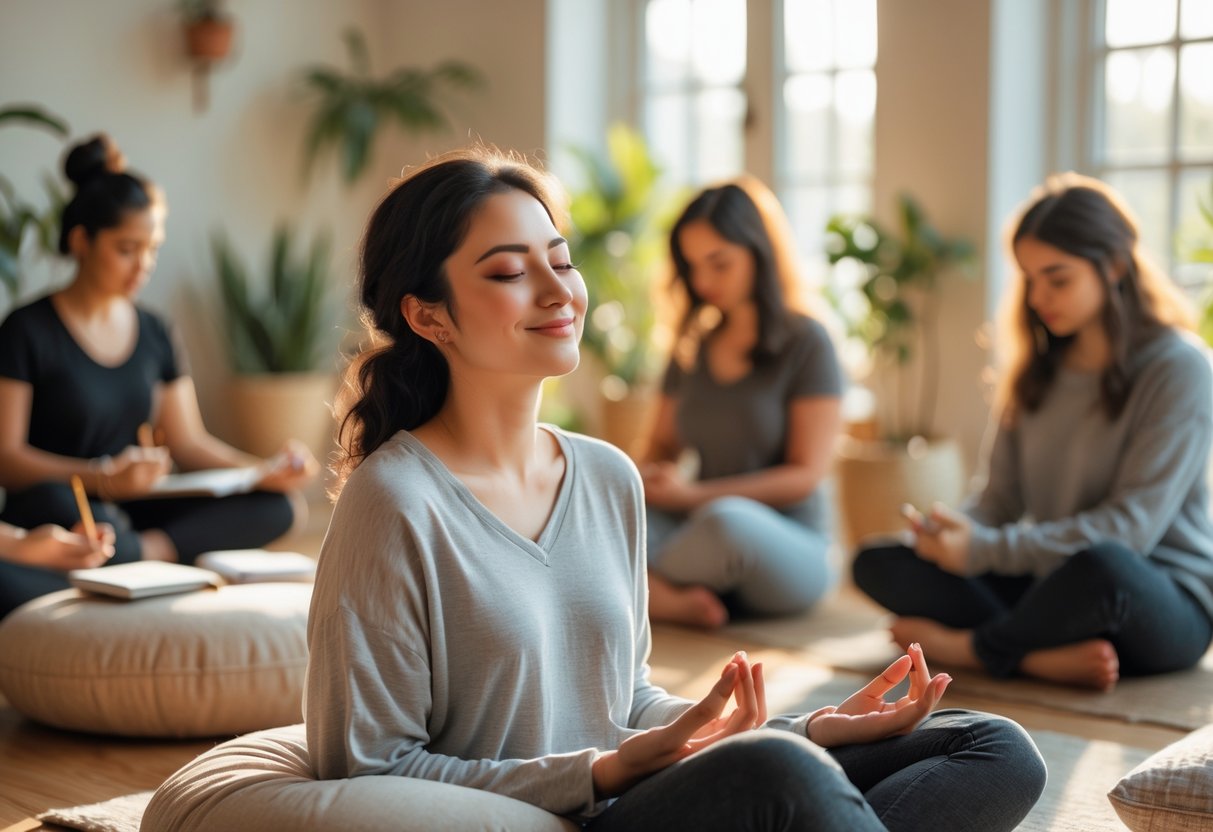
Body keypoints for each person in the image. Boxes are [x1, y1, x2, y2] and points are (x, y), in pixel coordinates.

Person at [305, 146, 1046, 831]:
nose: (556, 292)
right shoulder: (394, 501)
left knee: (990, 746)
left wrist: (809, 726)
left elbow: (627, 703)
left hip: (640, 791)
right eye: (507, 273)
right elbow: (370, 768)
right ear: (427, 314)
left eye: (560, 263)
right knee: (779, 774)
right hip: (565, 817)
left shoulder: (603, 476)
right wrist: (600, 771)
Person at [852, 173, 1213, 691]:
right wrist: (952, 533)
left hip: (1153, 600)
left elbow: (1129, 532)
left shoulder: (1179, 369)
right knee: (878, 561)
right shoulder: (1035, 369)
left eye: (1058, 278)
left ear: (1113, 265)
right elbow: (996, 502)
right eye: (1029, 278)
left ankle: (972, 649)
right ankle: (1037, 656)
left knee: (1103, 567)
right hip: (1052, 586)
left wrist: (982, 551)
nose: (1039, 295)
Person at [0, 134, 318, 618]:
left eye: (151, 249)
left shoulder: (155, 330)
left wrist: (260, 471)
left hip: (140, 508)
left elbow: (188, 443)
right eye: (127, 249)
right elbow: (7, 458)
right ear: (82, 241)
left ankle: (138, 558)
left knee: (281, 506)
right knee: (67, 509)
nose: (143, 266)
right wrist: (102, 478)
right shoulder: (27, 329)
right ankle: (136, 557)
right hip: (70, 503)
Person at [639, 178, 842, 629]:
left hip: (789, 545)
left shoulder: (808, 342)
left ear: (759, 253)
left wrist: (691, 496)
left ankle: (644, 590)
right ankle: (667, 596)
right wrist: (651, 475)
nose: (703, 281)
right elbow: (660, 445)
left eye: (719, 263)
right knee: (609, 510)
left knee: (726, 522)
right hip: (701, 532)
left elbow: (804, 475)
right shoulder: (691, 345)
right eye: (692, 266)